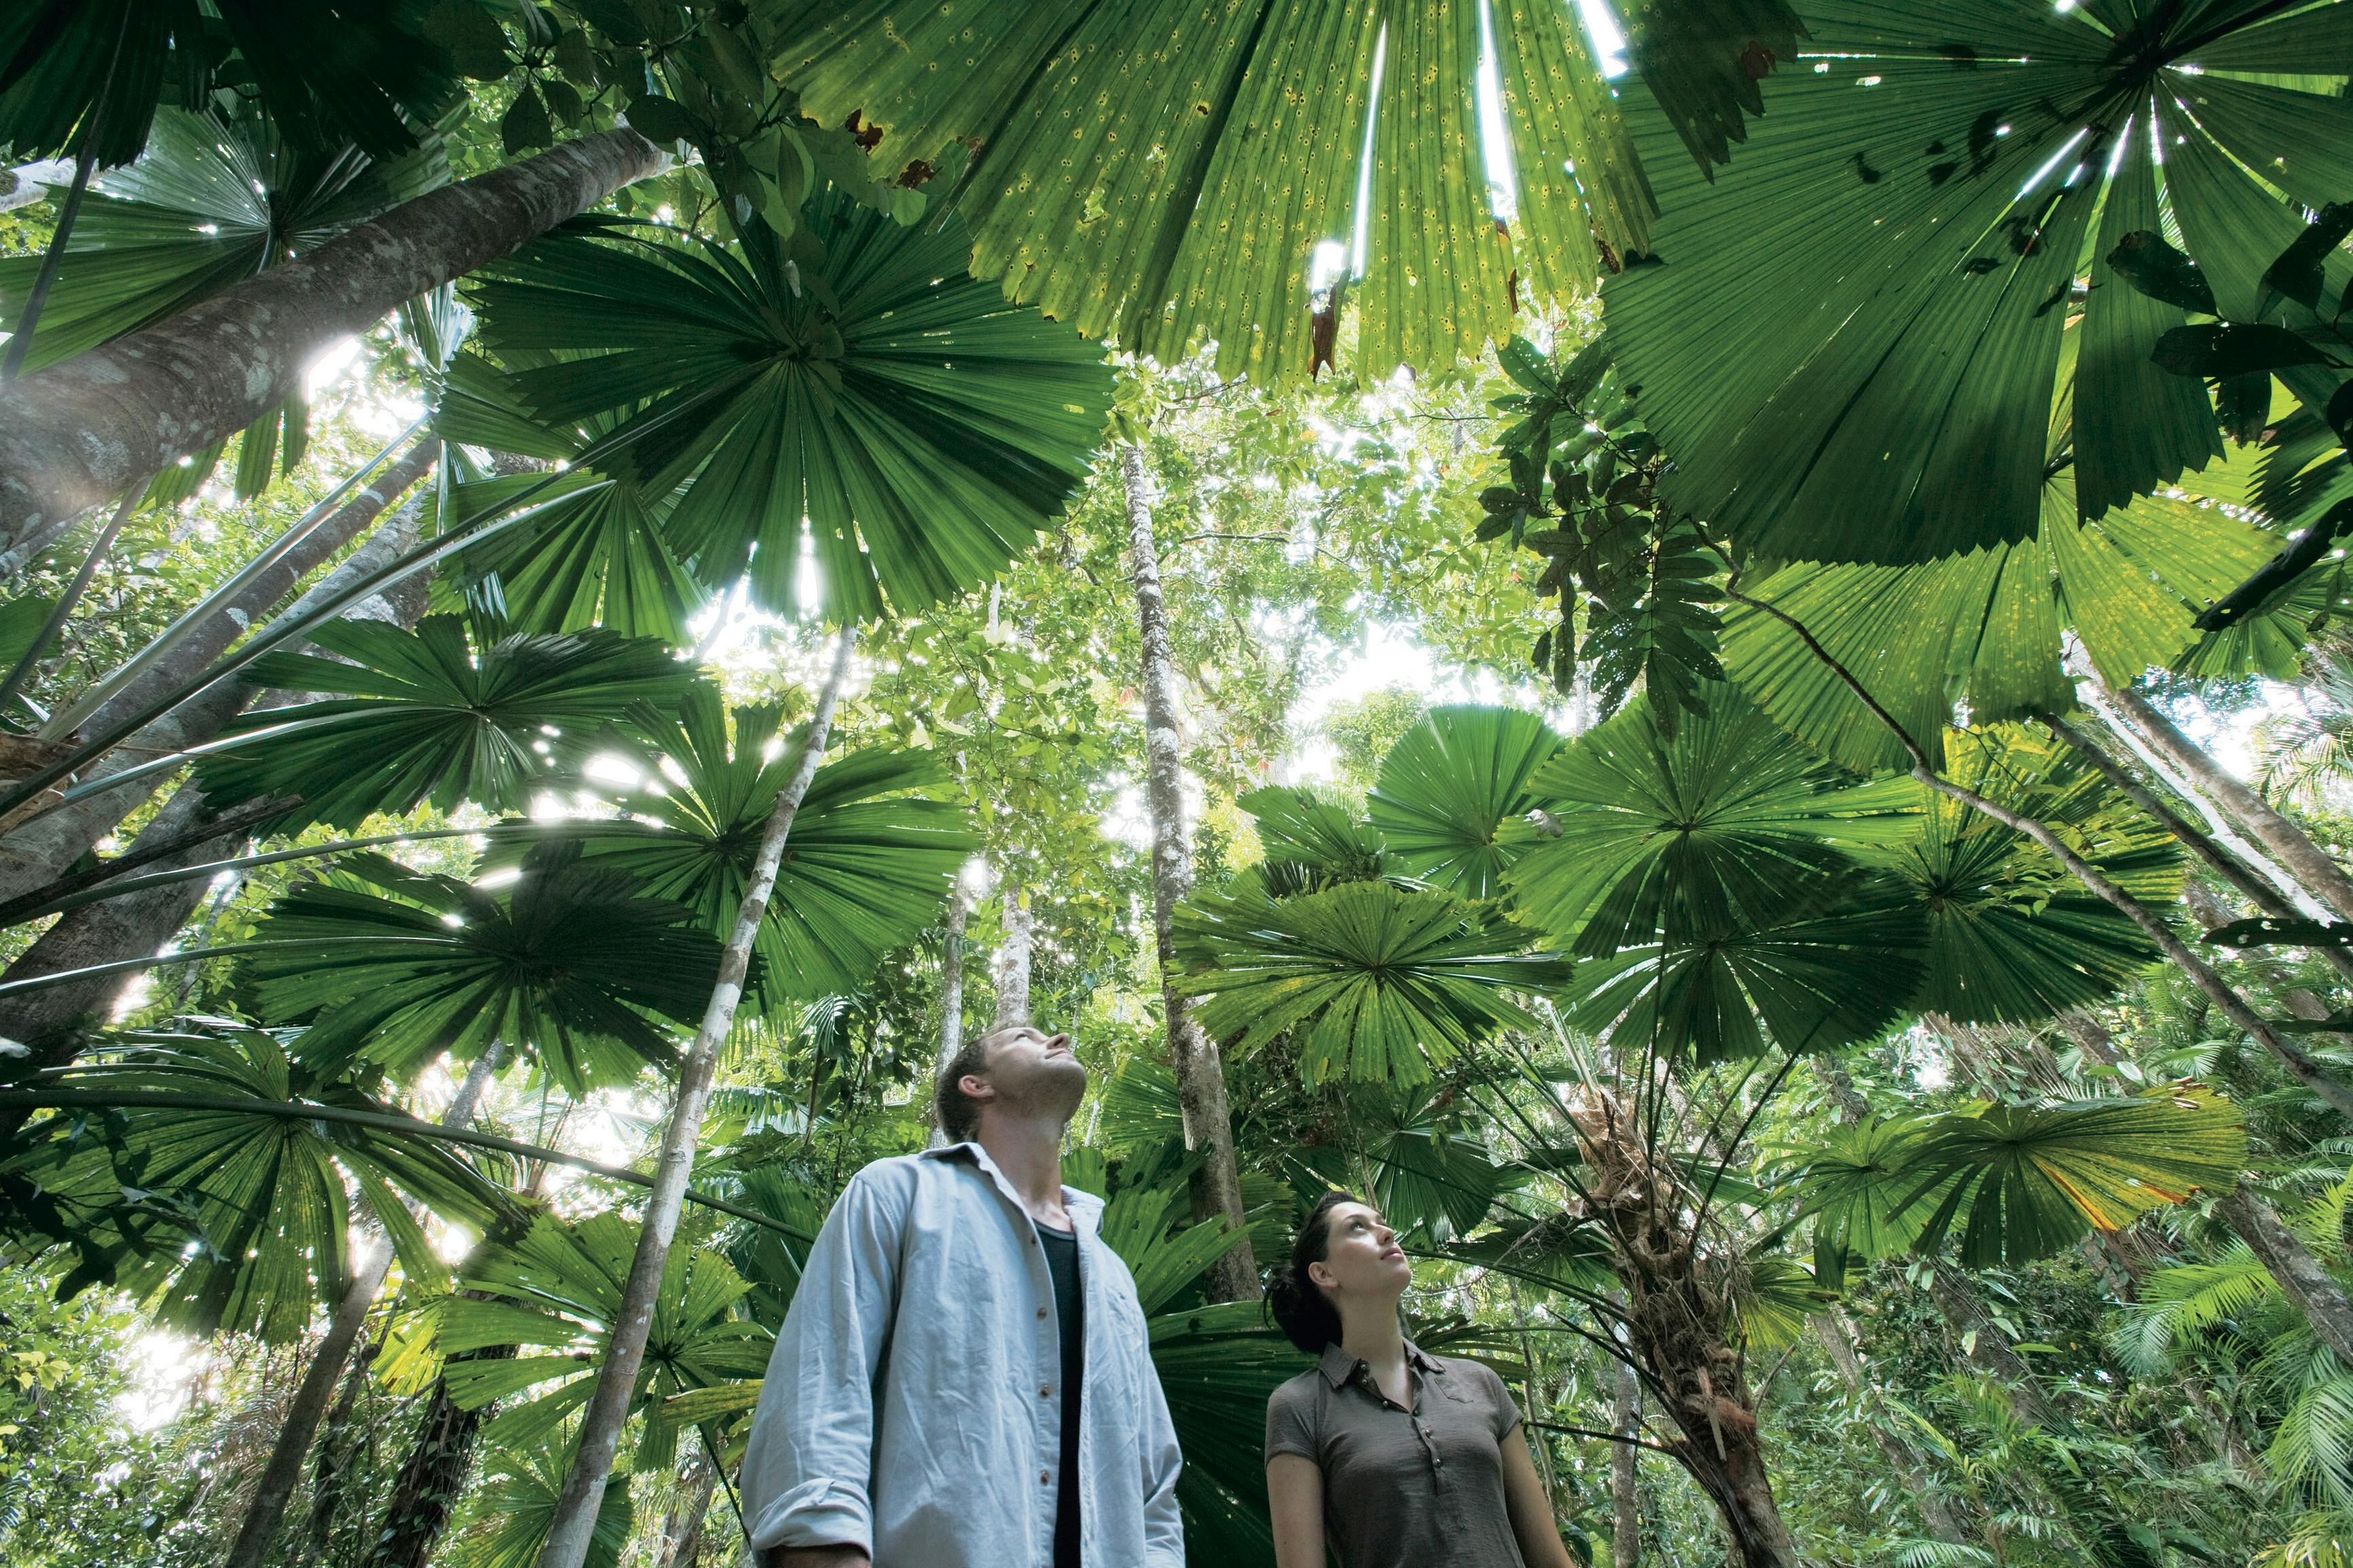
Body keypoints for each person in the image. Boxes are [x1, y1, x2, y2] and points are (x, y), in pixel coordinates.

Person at [740, 1022, 1184, 1568]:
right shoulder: (898, 1194)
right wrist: (825, 1549)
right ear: (976, 1084)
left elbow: (1153, 1479)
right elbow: (821, 1383)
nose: (1058, 1036)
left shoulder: (1113, 1274)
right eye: (1025, 1036)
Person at [1264, 1192, 1578, 1568]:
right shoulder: (1301, 1406)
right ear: (1324, 1273)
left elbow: (1550, 1558)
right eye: (1358, 1228)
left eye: (1381, 1222)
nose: (1385, 1233)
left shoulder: (1480, 1383)